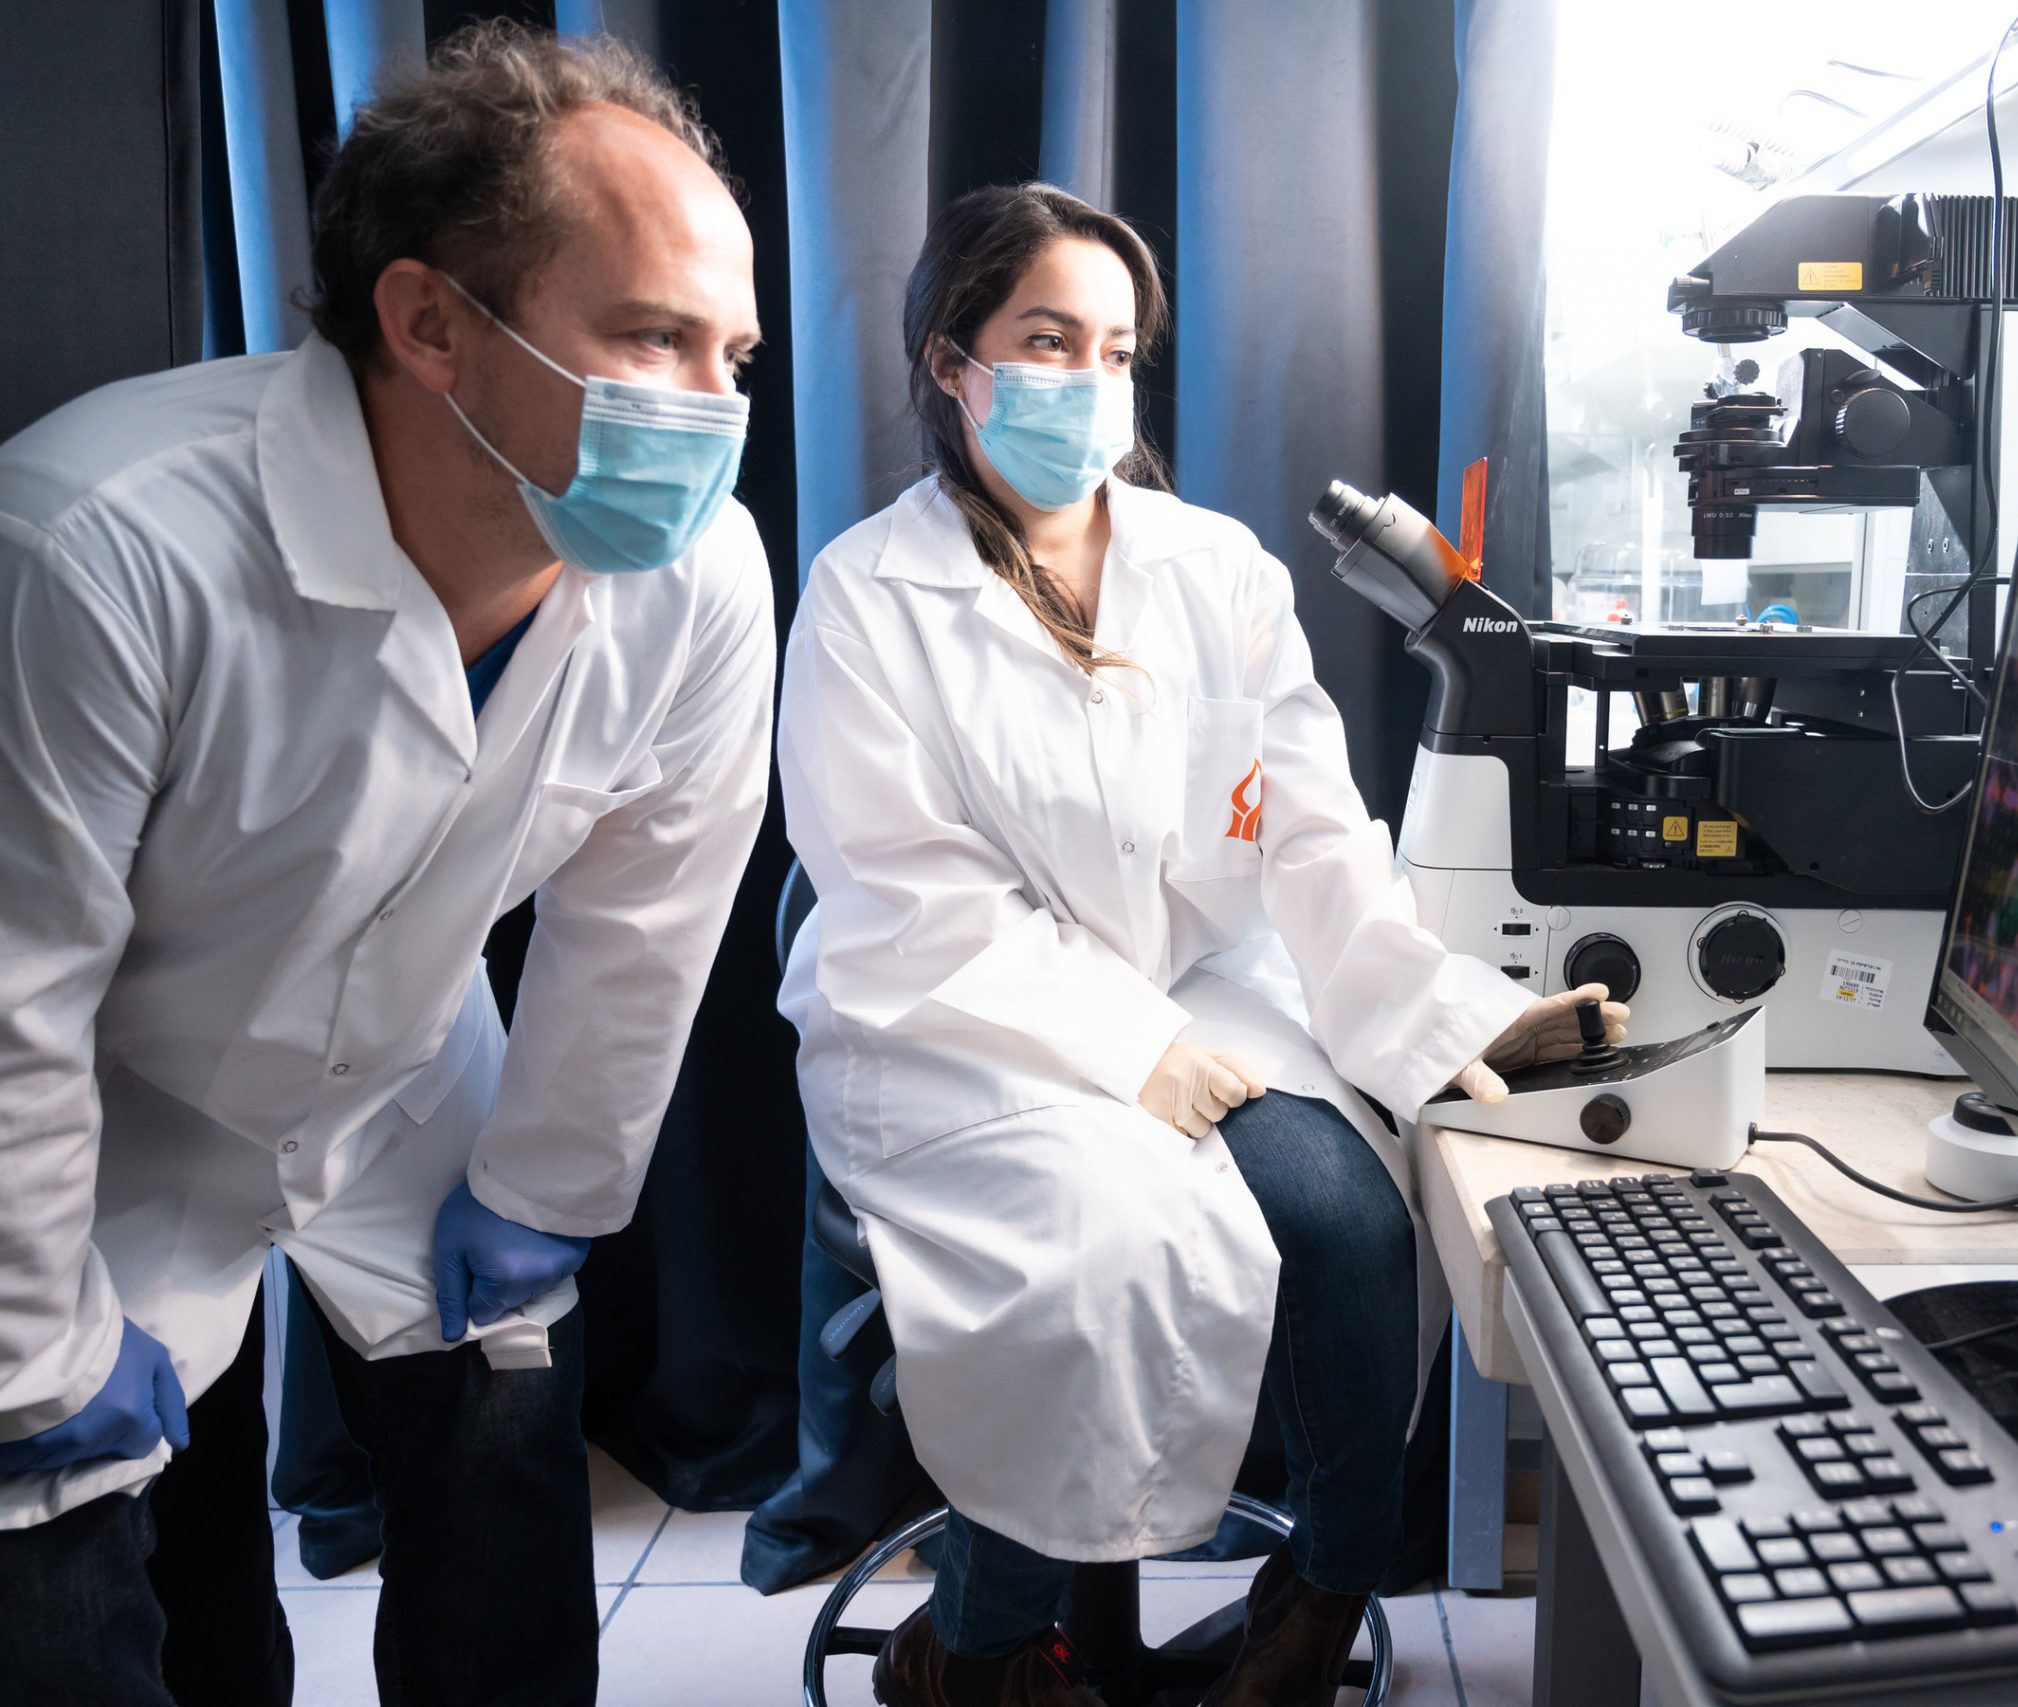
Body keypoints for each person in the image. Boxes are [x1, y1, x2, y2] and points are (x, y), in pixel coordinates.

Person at [0, 24, 772, 1706]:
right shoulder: (92, 544)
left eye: (734, 355)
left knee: (501, 1432)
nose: (712, 416)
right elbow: (12, 1000)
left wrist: (543, 1190)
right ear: (430, 323)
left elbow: (644, 919)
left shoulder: (700, 577)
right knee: (85, 1544)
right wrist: (29, 1349)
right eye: (652, 338)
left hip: (407, 1064)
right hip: (108, 1099)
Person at [776, 181, 1626, 1707]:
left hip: (1200, 990)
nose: (1088, 383)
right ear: (948, 358)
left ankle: (1317, 1600)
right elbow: (903, 892)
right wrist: (1130, 1048)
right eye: (1047, 340)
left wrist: (1451, 1017)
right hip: (961, 1023)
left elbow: (1307, 831)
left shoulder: (1214, 568)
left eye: (1116, 352)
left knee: (1363, 1230)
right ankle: (976, 1650)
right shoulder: (863, 597)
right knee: (1095, 1250)